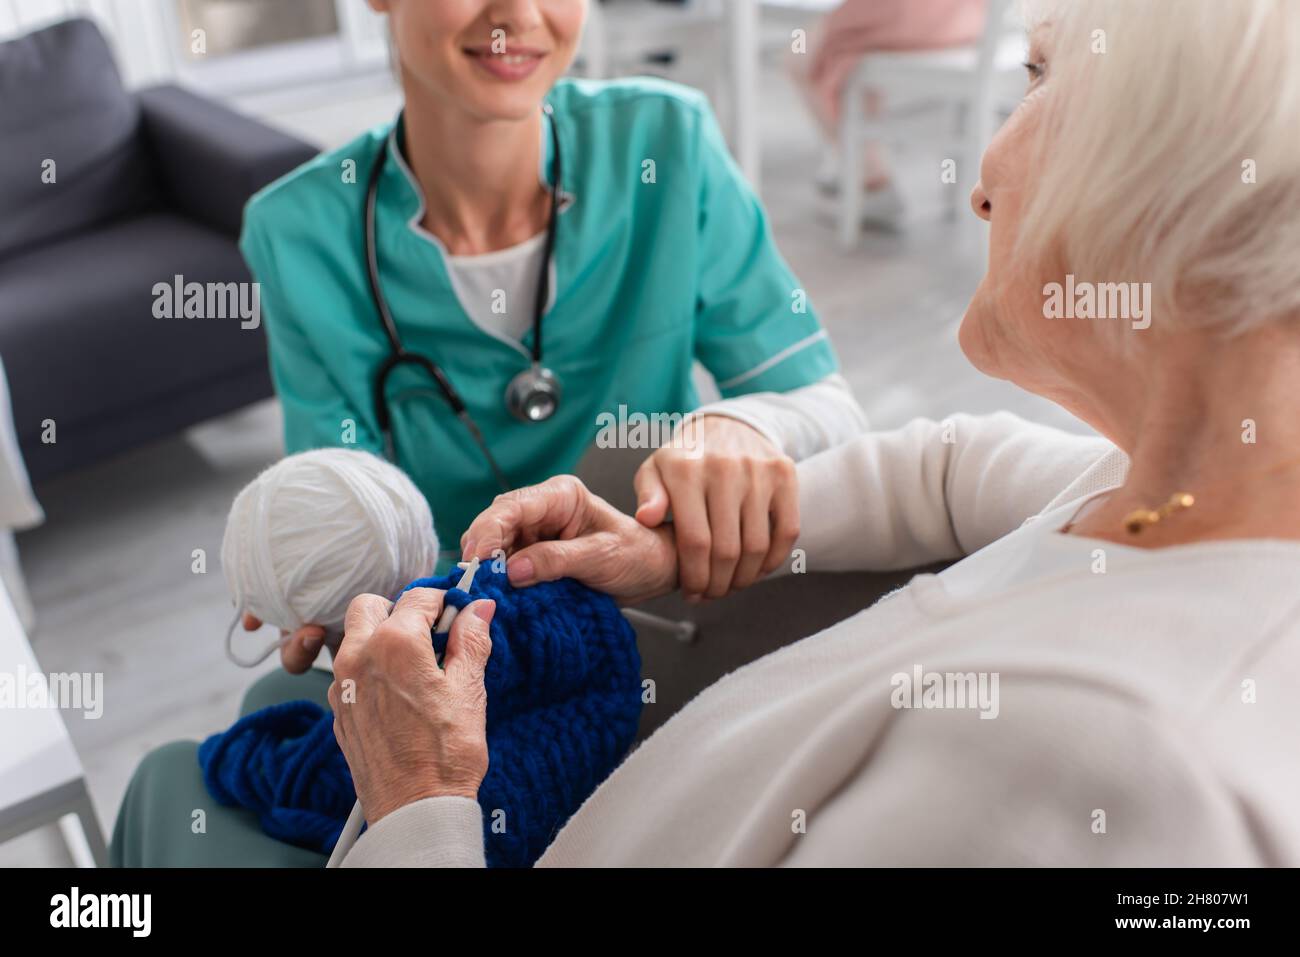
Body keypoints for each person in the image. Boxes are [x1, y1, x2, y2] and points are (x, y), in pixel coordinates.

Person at [114, 0, 1300, 866]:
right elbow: (955, 470)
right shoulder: (1145, 486)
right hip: (524, 610)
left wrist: (736, 432)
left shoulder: (664, 146)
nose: (981, 178)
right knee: (267, 729)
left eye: (1038, 85)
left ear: (1173, 183)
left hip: (559, 712)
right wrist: (657, 544)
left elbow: (818, 400)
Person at [236, 0, 867, 672]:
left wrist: (747, 425)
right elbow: (340, 516)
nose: (516, 14)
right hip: (462, 651)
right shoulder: (297, 233)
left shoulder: (665, 142)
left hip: (676, 609)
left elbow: (836, 416)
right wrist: (315, 582)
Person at [787, 0, 988, 225]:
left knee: (803, 56)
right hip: (972, 18)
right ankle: (864, 167)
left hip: (916, 16)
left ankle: (869, 174)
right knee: (849, 52)